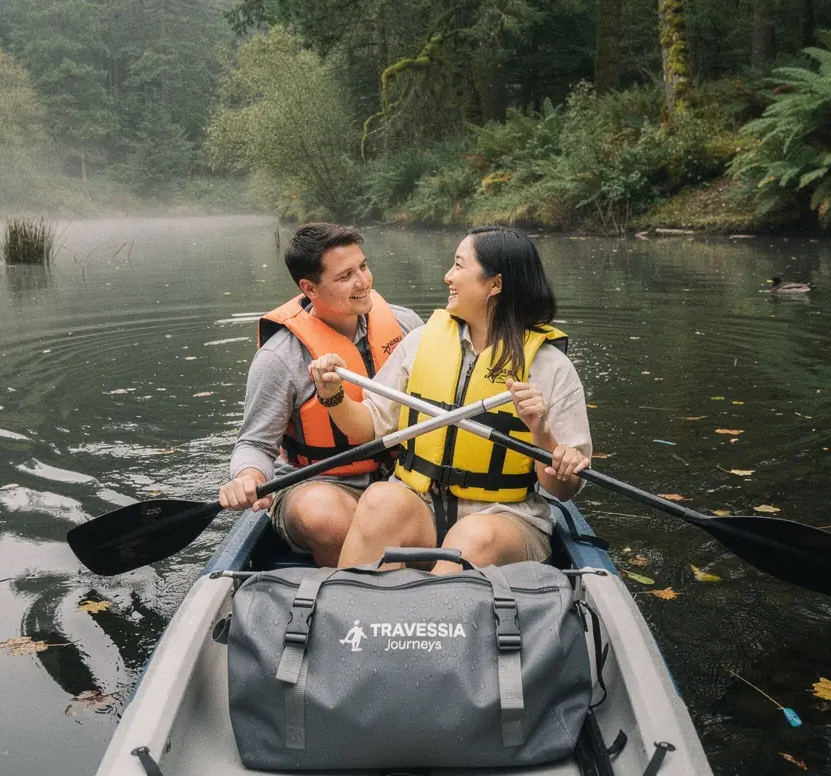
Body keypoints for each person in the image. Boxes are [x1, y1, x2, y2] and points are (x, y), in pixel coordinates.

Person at [307, 225, 592, 574]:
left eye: (458, 266)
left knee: (473, 537)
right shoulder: (421, 342)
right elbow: (367, 427)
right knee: (380, 499)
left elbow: (563, 489)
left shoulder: (551, 368)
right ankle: (348, 614)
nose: (448, 276)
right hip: (421, 504)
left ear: (495, 284)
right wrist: (332, 395)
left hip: (503, 518)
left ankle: (431, 621)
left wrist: (541, 433)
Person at [218, 223, 422, 565]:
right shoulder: (279, 358)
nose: (363, 281)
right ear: (309, 288)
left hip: (401, 475)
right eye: (346, 276)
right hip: (322, 484)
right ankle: (348, 594)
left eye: (363, 266)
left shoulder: (406, 326)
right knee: (326, 518)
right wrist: (247, 477)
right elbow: (254, 443)